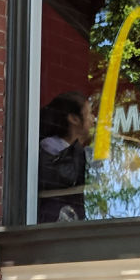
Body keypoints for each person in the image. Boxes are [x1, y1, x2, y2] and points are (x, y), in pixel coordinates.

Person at [38, 92, 92, 223]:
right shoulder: (50, 149)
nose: (93, 118)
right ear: (74, 119)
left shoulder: (78, 152)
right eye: (89, 113)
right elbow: (67, 176)